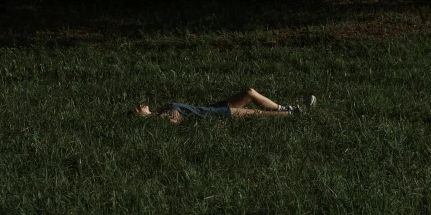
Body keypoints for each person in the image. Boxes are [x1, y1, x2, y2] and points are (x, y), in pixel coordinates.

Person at [133, 87, 316, 124]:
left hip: (211, 108)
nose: (140, 105)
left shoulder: (161, 112)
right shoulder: (160, 119)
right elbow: (176, 122)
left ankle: (285, 108)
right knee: (255, 113)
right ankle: (297, 114)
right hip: (214, 115)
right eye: (136, 109)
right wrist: (151, 118)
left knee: (249, 93)